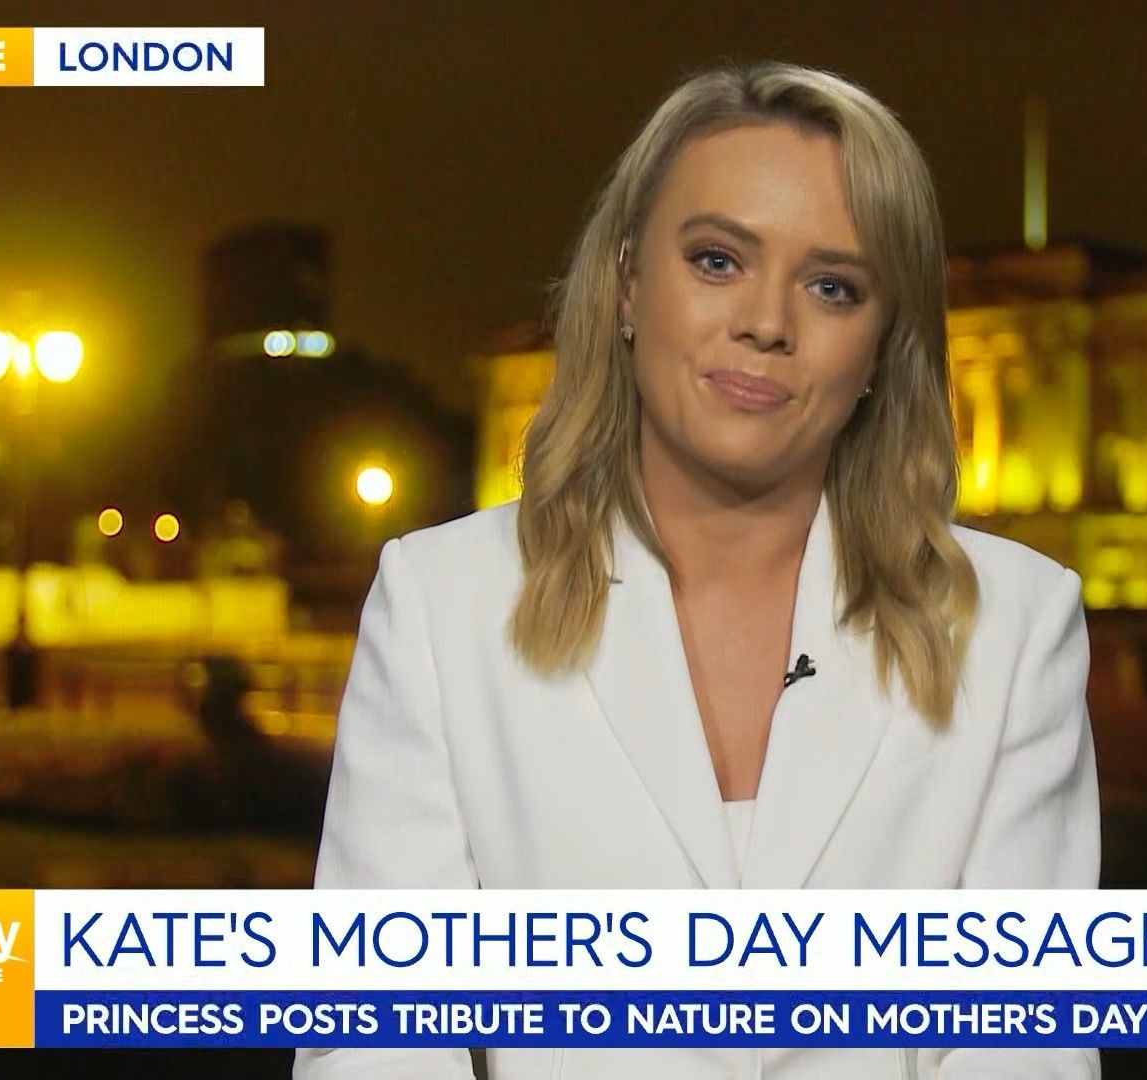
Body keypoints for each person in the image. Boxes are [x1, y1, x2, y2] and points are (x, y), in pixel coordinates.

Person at [296, 59, 1101, 1080]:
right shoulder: (442, 605)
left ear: (880, 345)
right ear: (629, 284)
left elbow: (1026, 1051)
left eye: (832, 286)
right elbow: (376, 1042)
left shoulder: (1016, 625)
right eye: (718, 260)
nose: (766, 322)